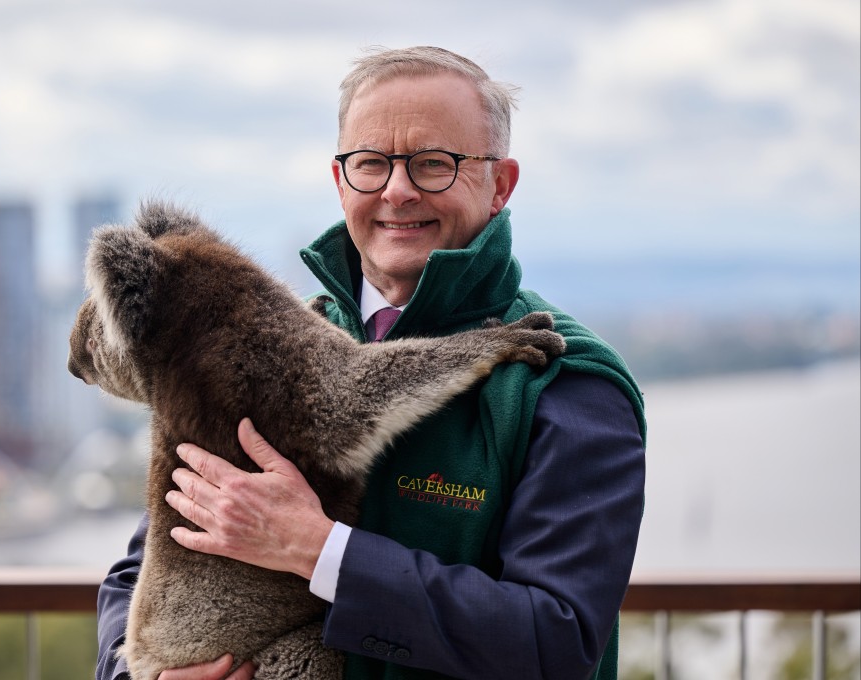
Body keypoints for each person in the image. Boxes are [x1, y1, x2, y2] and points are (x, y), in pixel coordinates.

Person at [96, 46, 646, 680]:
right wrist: (140, 671)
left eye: (435, 164)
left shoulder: (566, 384)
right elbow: (139, 568)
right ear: (340, 182)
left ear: (501, 184)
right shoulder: (253, 348)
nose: (398, 190)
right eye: (370, 164)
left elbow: (556, 643)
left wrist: (320, 550)